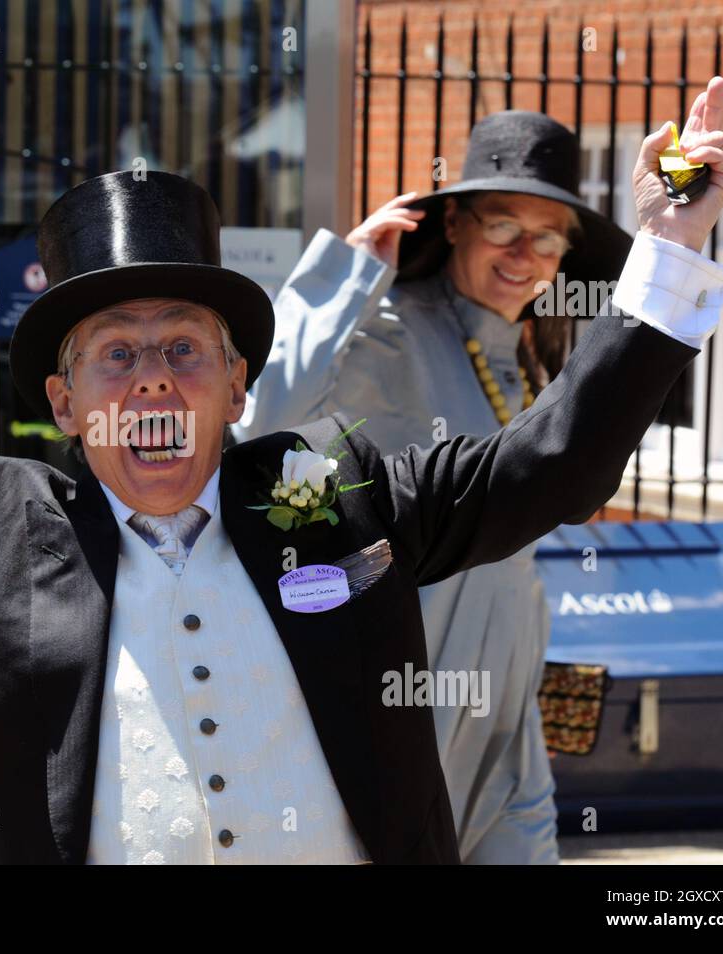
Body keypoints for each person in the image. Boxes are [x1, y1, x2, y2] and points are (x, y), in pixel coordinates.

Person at [0, 78, 723, 864]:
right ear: (63, 406)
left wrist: (670, 249)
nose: (152, 380)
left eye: (182, 351)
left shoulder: (336, 493)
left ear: (231, 385)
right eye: (115, 356)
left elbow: (555, 465)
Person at [234, 111, 632, 863]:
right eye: (504, 226)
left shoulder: (524, 360)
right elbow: (264, 420)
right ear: (454, 223)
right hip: (412, 709)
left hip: (509, 724)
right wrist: (344, 276)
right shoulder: (389, 328)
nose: (525, 254)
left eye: (548, 237)